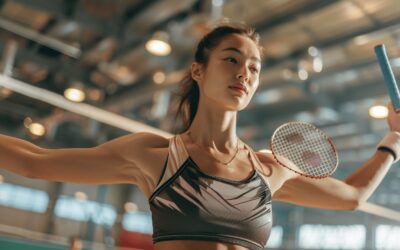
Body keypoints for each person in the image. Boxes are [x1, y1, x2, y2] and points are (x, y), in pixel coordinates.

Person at [1, 24, 399, 250]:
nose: (244, 73)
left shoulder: (269, 169)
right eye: (231, 59)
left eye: (254, 68)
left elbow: (352, 198)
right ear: (198, 71)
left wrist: (394, 140)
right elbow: (34, 162)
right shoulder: (154, 155)